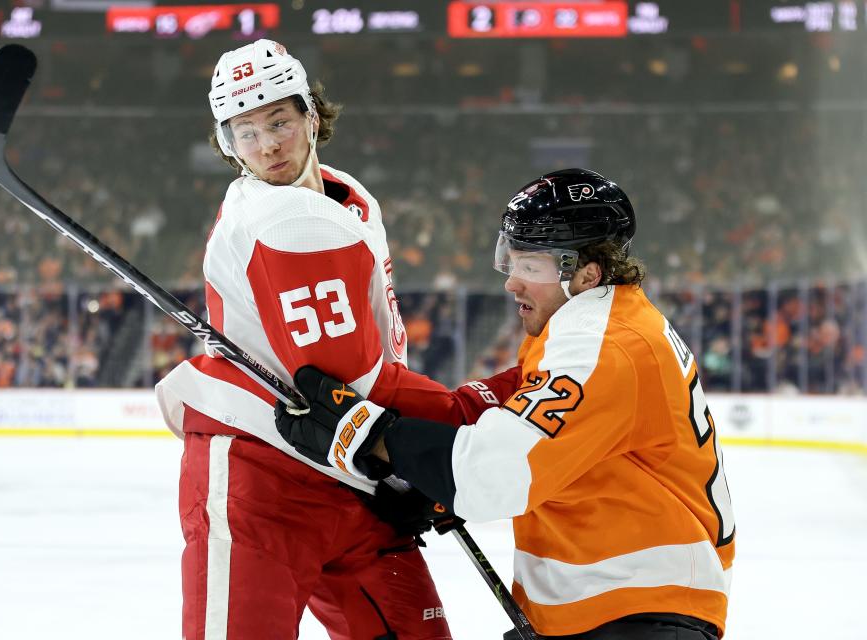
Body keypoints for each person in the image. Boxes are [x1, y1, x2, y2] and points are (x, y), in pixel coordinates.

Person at [154, 39, 520, 640]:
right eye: (246, 132)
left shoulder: (342, 197)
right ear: (227, 144)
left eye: (279, 120)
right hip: (262, 476)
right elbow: (349, 383)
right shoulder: (289, 222)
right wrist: (457, 421)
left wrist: (395, 462)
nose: (267, 143)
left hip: (349, 471)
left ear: (312, 116)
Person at [276, 169, 736, 639]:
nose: (511, 283)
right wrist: (429, 476)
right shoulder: (597, 325)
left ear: (586, 273)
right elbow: (546, 453)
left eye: (530, 268)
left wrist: (372, 438)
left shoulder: (603, 345)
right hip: (606, 609)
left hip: (638, 615)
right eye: (509, 262)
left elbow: (497, 474)